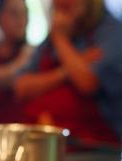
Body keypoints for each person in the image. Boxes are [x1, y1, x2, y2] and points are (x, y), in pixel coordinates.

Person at [15, 0, 122, 146]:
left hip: (95, 151)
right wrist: (65, 72)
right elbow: (21, 88)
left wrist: (60, 39)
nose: (59, 4)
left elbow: (87, 82)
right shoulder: (49, 41)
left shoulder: (112, 33)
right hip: (47, 145)